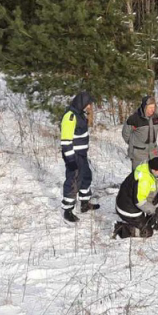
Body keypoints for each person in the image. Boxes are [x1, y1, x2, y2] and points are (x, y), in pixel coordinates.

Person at [113, 157, 158, 239]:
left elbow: (156, 184)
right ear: (153, 169)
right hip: (128, 210)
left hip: (130, 202)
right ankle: (120, 229)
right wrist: (153, 212)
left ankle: (151, 221)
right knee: (147, 232)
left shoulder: (148, 170)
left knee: (155, 198)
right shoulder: (144, 180)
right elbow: (139, 201)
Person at [59, 90, 99, 223]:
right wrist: (70, 160)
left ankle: (85, 203)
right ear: (82, 103)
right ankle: (68, 210)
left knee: (86, 176)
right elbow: (65, 141)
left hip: (81, 154)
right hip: (73, 155)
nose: (89, 107)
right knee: (73, 181)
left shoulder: (80, 114)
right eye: (88, 104)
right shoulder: (70, 116)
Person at [122, 95, 158, 171]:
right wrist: (133, 144)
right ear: (145, 107)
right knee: (138, 178)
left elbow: (157, 129)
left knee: (154, 176)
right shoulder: (134, 119)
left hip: (153, 152)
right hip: (138, 154)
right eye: (150, 108)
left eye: (154, 107)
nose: (152, 110)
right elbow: (125, 134)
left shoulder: (157, 117)